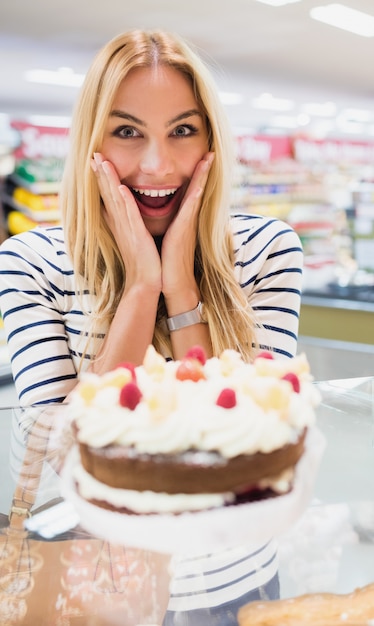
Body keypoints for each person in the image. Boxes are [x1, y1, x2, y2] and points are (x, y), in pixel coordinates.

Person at [0, 29, 303, 625]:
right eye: (128, 131)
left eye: (182, 131)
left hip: (234, 574)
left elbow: (250, 439)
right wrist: (141, 290)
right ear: (92, 139)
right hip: (101, 581)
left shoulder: (268, 251)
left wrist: (182, 290)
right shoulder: (29, 262)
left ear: (211, 138)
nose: (158, 165)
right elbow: (68, 458)